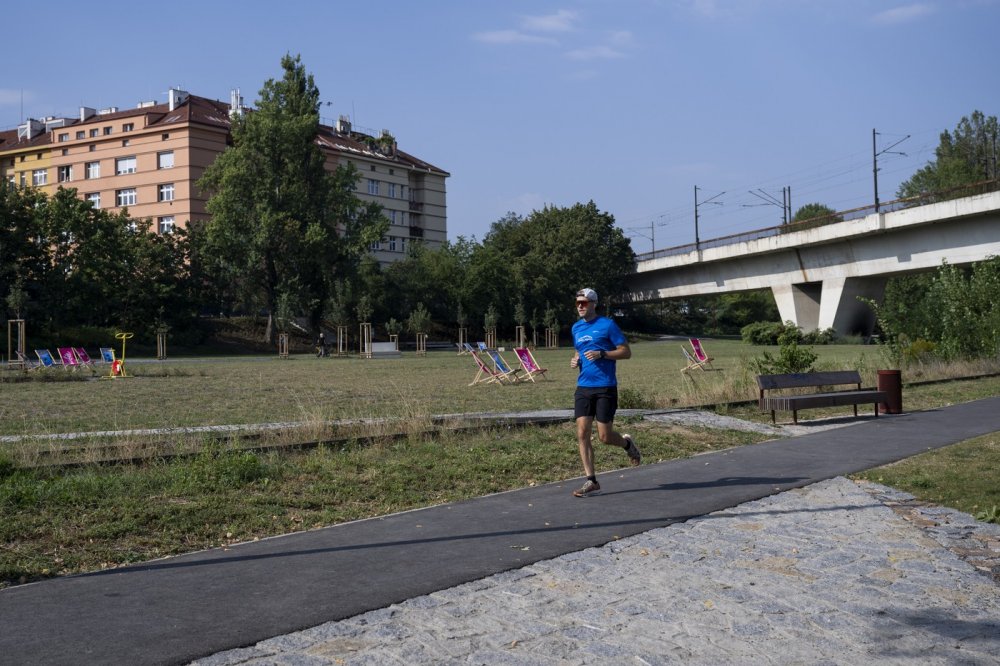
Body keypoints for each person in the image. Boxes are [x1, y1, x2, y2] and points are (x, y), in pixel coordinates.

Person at [569, 287, 641, 497]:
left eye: (584, 303)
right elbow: (579, 350)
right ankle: (591, 480)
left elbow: (626, 352)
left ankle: (627, 444)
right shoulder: (576, 328)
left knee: (605, 437)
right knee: (582, 432)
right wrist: (576, 359)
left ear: (593, 304)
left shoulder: (607, 325)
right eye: (577, 303)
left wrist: (603, 354)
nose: (580, 306)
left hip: (605, 386)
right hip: (584, 386)